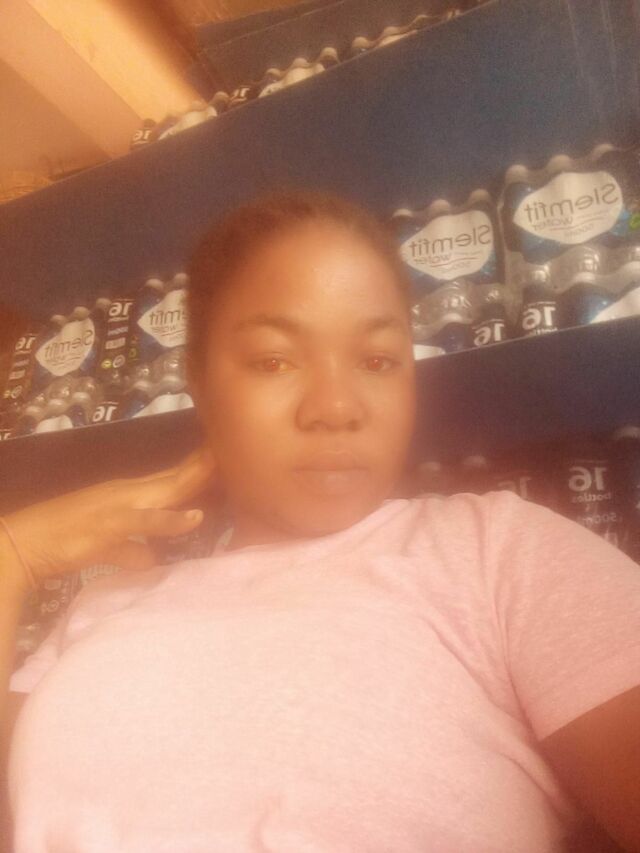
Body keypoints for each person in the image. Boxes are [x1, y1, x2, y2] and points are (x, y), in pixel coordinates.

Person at [0, 191, 638, 853]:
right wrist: (11, 555)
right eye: (274, 360)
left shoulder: (497, 553)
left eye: (377, 360)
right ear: (199, 383)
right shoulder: (102, 609)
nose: (336, 407)